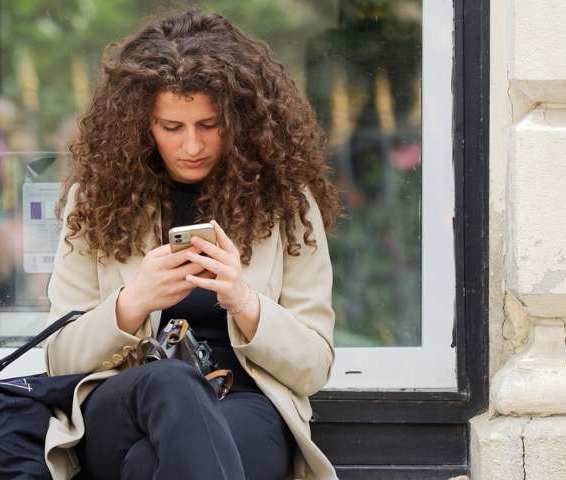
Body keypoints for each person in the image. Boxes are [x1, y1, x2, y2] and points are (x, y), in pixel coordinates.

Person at [43, 9, 344, 480]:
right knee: (170, 381)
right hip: (125, 405)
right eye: (172, 127)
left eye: (208, 125)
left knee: (151, 466)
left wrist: (244, 302)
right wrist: (132, 303)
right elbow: (60, 358)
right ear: (141, 124)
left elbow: (313, 366)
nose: (191, 146)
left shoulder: (286, 201)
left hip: (244, 402)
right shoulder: (98, 197)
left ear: (240, 120)